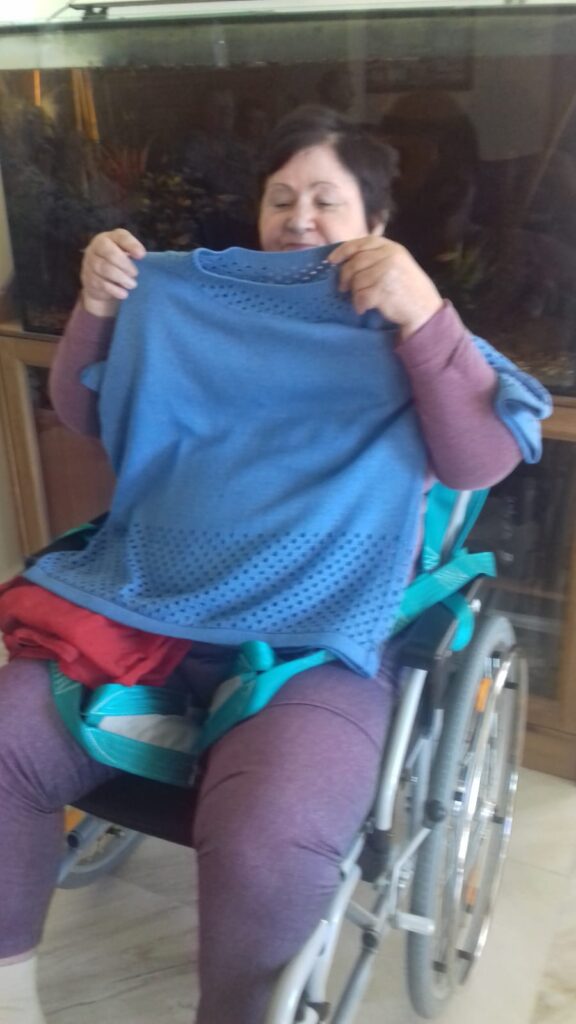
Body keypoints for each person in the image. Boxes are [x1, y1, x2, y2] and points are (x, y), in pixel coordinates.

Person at [0, 105, 549, 1024]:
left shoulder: (417, 327)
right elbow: (86, 411)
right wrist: (97, 308)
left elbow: (480, 459)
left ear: (377, 223)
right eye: (281, 197)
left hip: (319, 628)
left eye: (327, 200)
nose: (300, 218)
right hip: (150, 598)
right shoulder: (187, 302)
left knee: (269, 837)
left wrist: (423, 313)